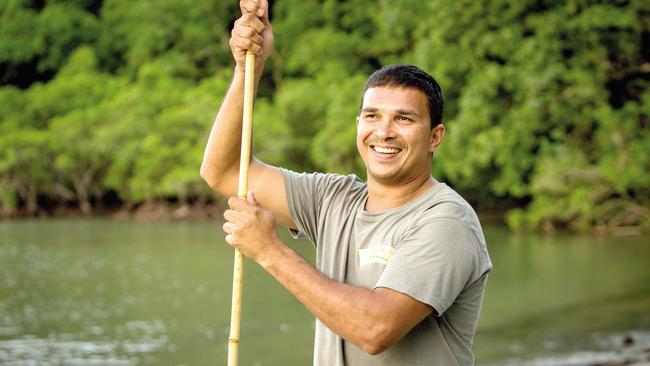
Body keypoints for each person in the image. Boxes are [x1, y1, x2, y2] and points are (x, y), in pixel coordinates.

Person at [200, 1, 492, 365]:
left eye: (404, 119)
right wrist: (249, 69)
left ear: (435, 137)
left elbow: (376, 329)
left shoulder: (448, 221)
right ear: (358, 125)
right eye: (372, 116)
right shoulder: (332, 199)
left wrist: (270, 252)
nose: (383, 131)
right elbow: (224, 171)